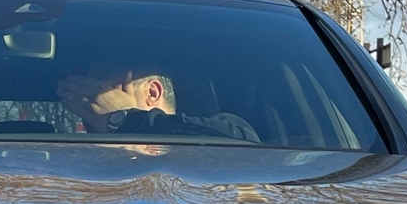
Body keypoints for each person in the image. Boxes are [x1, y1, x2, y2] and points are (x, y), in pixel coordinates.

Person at [58, 64, 258, 141]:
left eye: (102, 92)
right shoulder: (78, 166)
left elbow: (246, 147)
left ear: (153, 92)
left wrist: (122, 119)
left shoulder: (220, 128)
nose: (89, 103)